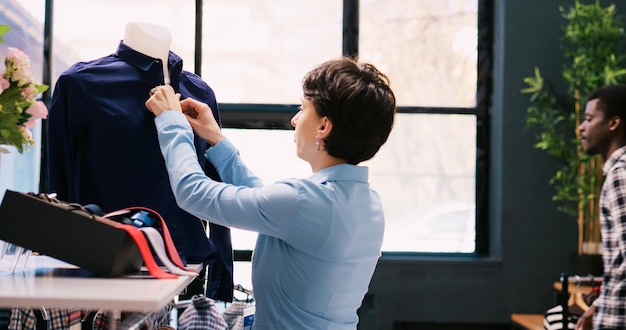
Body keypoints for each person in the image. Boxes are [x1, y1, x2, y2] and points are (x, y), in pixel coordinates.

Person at [145, 56, 396, 329]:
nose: (294, 119)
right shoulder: (368, 204)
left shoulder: (302, 201)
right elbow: (269, 204)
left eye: (303, 109)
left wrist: (172, 122)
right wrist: (215, 138)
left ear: (323, 126)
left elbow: (193, 193)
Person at [47, 22, 234, 301]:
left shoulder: (199, 93)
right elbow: (59, 181)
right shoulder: (81, 83)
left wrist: (220, 281)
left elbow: (216, 182)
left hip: (189, 265)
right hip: (110, 267)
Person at [575, 84, 626, 330]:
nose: (581, 127)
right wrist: (597, 307)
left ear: (613, 123)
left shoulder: (621, 175)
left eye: (588, 119)